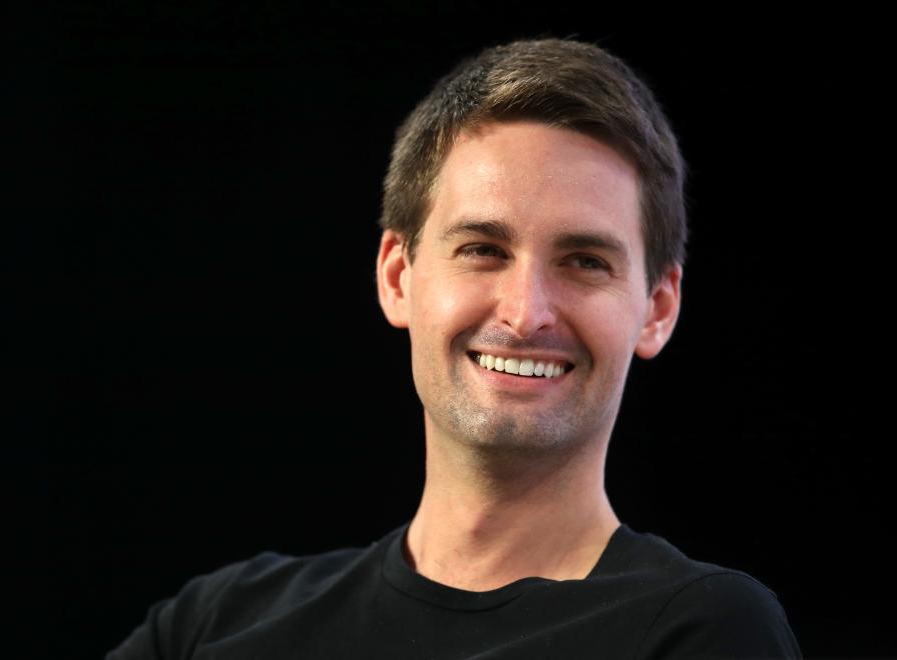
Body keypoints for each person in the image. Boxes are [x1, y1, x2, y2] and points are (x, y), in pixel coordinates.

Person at [108, 38, 800, 659]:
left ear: (658, 308)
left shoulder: (705, 631)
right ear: (397, 276)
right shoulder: (213, 624)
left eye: (585, 261)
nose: (527, 313)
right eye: (482, 249)